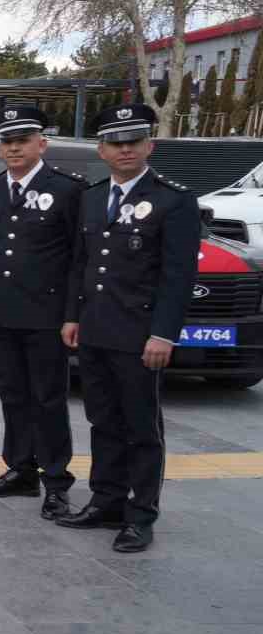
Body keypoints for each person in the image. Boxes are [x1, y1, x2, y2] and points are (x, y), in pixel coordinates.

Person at [58, 103, 200, 554]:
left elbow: (177, 276)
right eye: (116, 143)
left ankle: (141, 515)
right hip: (97, 328)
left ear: (149, 146)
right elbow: (80, 265)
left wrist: (164, 334)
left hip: (140, 335)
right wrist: (72, 316)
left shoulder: (174, 200)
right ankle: (107, 500)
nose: (125, 150)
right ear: (101, 150)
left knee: (141, 427)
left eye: (133, 142)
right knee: (102, 421)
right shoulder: (93, 197)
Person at [0, 105, 84, 519]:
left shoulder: (67, 190)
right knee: (13, 397)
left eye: (22, 140)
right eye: (7, 141)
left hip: (45, 316)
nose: (14, 148)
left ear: (42, 143)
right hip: (1, 313)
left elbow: (78, 259)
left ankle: (56, 481)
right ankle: (20, 469)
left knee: (49, 401)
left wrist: (72, 314)